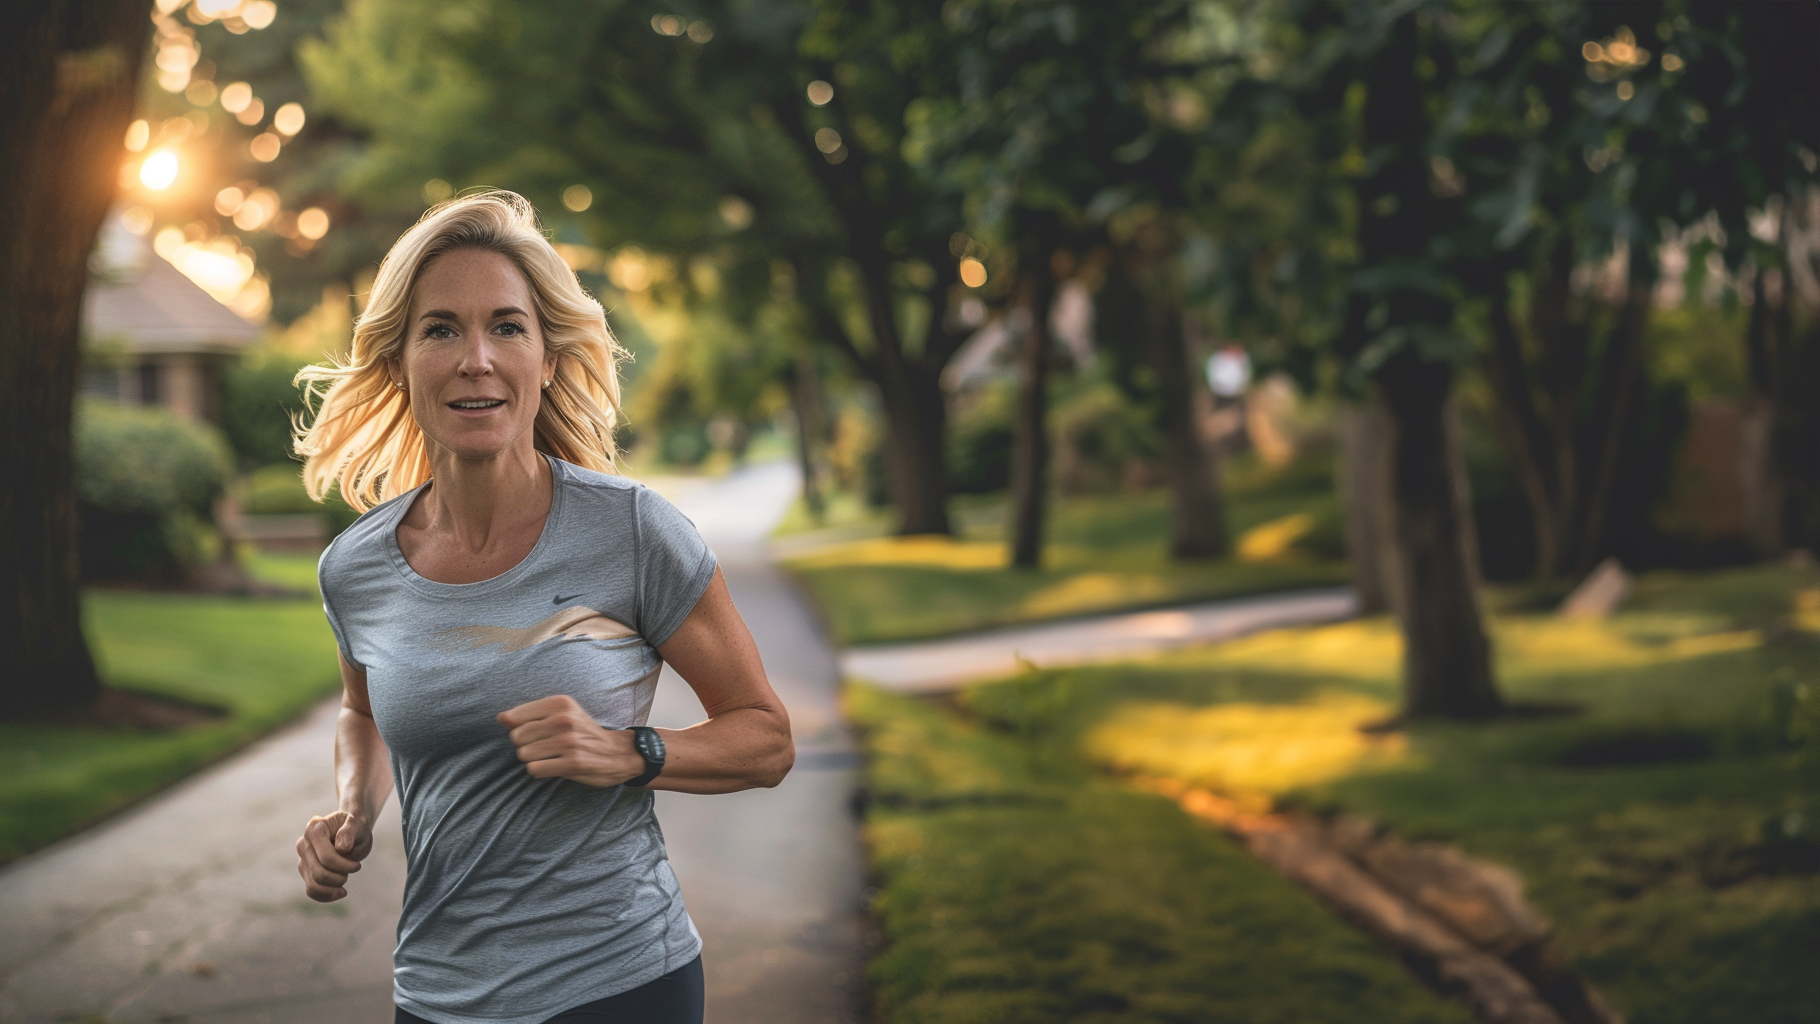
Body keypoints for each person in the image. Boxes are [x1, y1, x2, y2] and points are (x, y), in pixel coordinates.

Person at [290, 190, 793, 1024]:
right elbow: (364, 712)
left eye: (508, 327)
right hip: (437, 994)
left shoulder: (631, 531)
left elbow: (765, 737)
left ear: (549, 357)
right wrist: (353, 808)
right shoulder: (356, 568)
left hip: (621, 983)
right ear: (399, 361)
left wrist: (630, 752)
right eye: (441, 328)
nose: (476, 358)